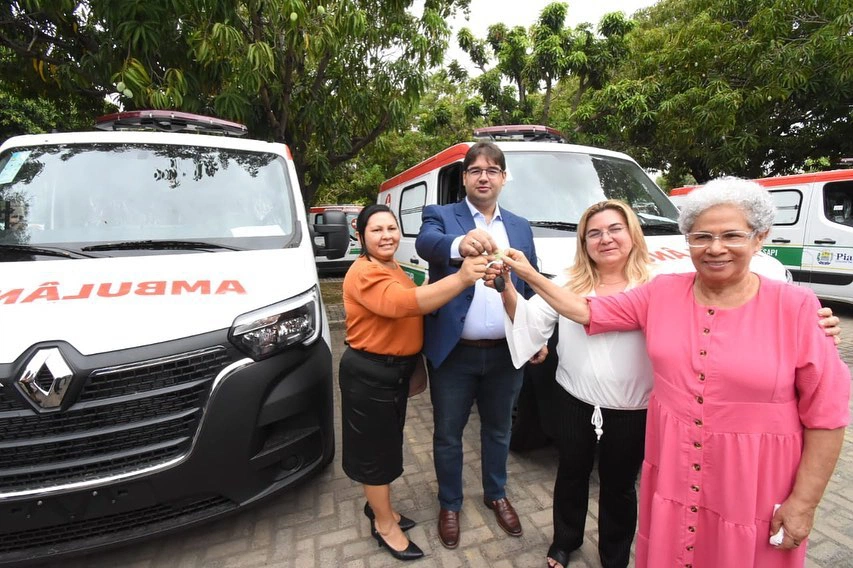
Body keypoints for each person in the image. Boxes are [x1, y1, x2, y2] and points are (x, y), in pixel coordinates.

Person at [495, 178, 850, 567]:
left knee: (631, 495)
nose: (715, 248)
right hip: (670, 458)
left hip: (748, 476)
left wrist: (803, 502)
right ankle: (569, 540)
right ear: (689, 241)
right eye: (702, 237)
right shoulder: (662, 292)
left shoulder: (792, 305)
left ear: (759, 238)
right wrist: (524, 278)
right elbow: (585, 311)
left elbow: (826, 414)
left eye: (732, 235)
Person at [414, 141, 544, 549]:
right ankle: (450, 503)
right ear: (465, 177)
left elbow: (532, 283)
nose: (483, 176)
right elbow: (427, 243)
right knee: (448, 434)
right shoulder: (441, 215)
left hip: (506, 353)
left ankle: (496, 493)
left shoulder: (521, 226)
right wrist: (459, 245)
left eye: (492, 170)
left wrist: (535, 334)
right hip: (454, 355)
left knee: (499, 430)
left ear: (504, 178)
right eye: (475, 170)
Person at [340, 204, 487, 561]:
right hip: (370, 372)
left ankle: (380, 508)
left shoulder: (391, 266)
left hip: (393, 369)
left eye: (391, 228)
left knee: (386, 445)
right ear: (361, 236)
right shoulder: (365, 273)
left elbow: (408, 324)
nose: (386, 235)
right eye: (376, 230)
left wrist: (416, 364)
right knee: (376, 453)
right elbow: (408, 304)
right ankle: (383, 524)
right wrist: (464, 278)